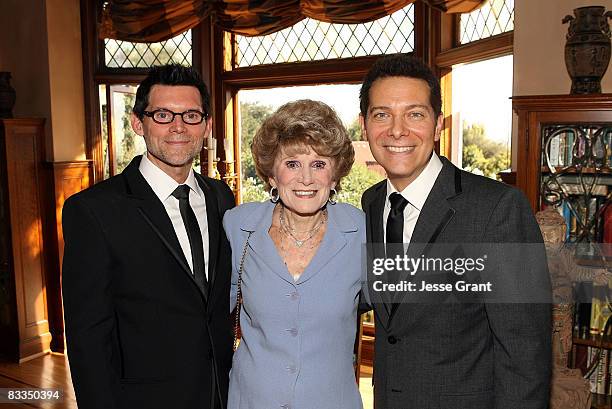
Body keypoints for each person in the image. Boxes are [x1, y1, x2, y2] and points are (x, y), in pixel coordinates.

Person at [359, 54, 551, 409]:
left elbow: (525, 351)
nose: (397, 130)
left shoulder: (497, 209)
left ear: (437, 124)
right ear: (364, 125)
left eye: (414, 114)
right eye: (382, 114)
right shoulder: (371, 203)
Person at [62, 64, 235, 409]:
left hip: (221, 392)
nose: (178, 127)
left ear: (206, 125)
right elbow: (88, 338)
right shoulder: (94, 210)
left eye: (190, 115)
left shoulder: (220, 197)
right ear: (138, 123)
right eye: (162, 115)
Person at [223, 99, 365, 409]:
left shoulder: (361, 232)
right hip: (251, 401)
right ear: (272, 175)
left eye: (318, 163)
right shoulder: (238, 226)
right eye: (292, 163)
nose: (306, 178)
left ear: (335, 174)